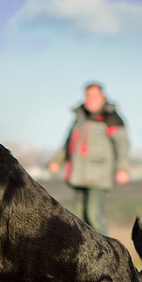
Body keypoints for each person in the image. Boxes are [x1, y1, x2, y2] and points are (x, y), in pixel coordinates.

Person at [48, 82, 130, 235]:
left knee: (94, 216)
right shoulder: (80, 117)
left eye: (94, 96)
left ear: (102, 97)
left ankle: (109, 253)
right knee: (76, 217)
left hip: (99, 175)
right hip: (79, 173)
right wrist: (56, 161)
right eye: (88, 96)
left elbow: (122, 144)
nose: (90, 99)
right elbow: (68, 143)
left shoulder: (111, 117)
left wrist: (122, 169)